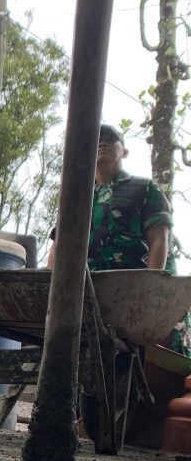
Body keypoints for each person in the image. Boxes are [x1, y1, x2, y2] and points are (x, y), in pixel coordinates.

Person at [48, 123, 189, 356]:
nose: (102, 142)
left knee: (158, 364)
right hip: (92, 294)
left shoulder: (143, 188)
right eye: (96, 140)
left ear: (124, 152)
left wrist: (150, 287)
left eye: (110, 139)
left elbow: (159, 239)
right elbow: (58, 246)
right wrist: (48, 287)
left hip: (137, 290)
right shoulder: (77, 198)